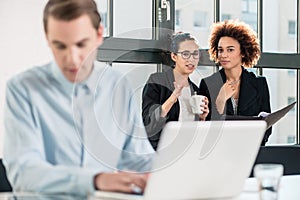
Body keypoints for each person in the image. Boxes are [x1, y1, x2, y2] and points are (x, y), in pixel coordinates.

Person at [3, 0, 154, 196]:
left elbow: (138, 157)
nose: (72, 59)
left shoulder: (117, 85)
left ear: (99, 35)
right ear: (48, 39)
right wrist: (95, 180)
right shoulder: (23, 89)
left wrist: (177, 170)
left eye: (81, 44)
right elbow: (24, 172)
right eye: (60, 46)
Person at [199, 19, 272, 145]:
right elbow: (206, 128)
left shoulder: (259, 84)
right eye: (220, 50)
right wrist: (220, 100)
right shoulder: (208, 84)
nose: (223, 55)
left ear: (243, 52)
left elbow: (267, 126)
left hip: (251, 149)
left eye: (230, 50)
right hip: (219, 151)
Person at [142, 32, 209, 150]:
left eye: (195, 54)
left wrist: (202, 118)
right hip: (162, 151)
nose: (191, 59)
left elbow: (195, 132)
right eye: (185, 54)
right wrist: (173, 97)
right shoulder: (157, 81)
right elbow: (149, 125)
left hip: (188, 151)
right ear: (174, 56)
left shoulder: (196, 90)